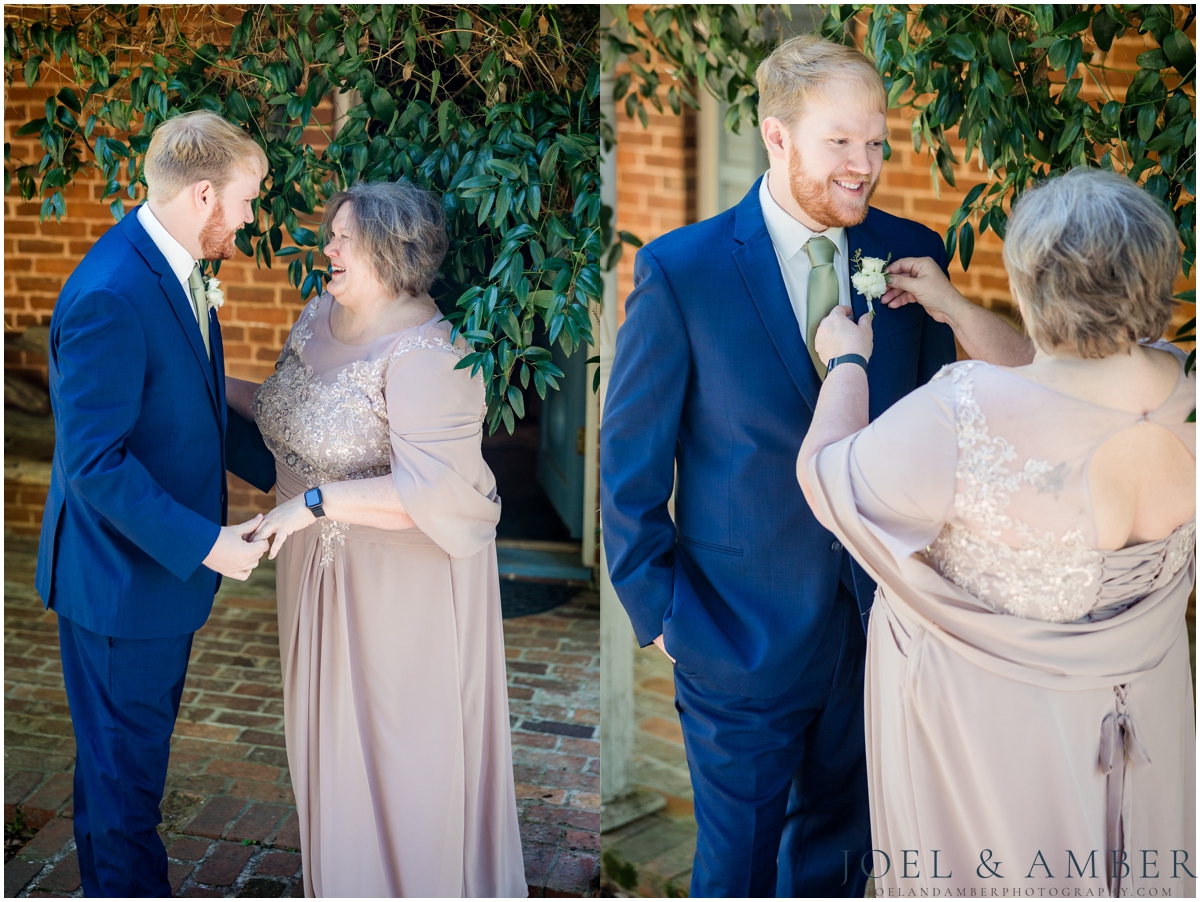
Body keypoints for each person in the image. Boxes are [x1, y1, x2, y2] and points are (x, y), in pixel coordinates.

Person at [600, 34, 956, 897]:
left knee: (840, 868)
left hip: (874, 636)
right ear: (776, 135)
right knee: (735, 874)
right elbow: (629, 468)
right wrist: (666, 619)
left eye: (876, 142)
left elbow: (939, 439)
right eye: (840, 142)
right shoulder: (681, 271)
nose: (864, 165)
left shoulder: (914, 257)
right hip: (732, 637)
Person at [797, 167, 1195, 897]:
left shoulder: (959, 414)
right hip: (1147, 715)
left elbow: (827, 477)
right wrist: (951, 308)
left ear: (1032, 284)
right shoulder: (1184, 388)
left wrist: (847, 361)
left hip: (998, 744)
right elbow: (1059, 385)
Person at [226, 181, 526, 897]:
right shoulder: (317, 316)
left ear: (392, 253)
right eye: (331, 234)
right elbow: (281, 412)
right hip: (313, 572)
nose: (327, 248)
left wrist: (315, 505)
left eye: (344, 239)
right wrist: (198, 383)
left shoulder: (430, 353)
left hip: (400, 589)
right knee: (322, 742)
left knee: (399, 752)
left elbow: (440, 491)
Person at [36, 110, 277, 896]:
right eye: (246, 199)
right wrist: (209, 543)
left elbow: (189, 408)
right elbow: (95, 464)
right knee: (124, 790)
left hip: (151, 584)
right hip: (119, 587)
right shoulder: (111, 293)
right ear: (204, 195)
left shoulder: (173, 265)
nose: (250, 217)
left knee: (124, 772)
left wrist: (289, 476)